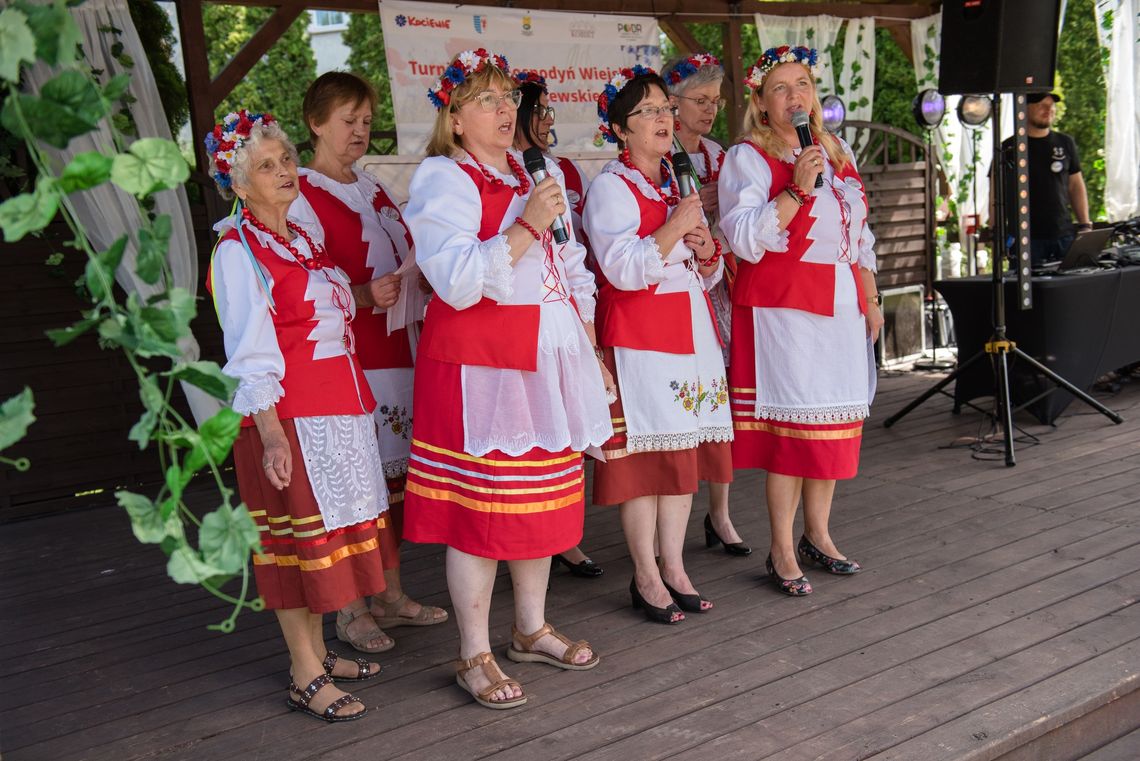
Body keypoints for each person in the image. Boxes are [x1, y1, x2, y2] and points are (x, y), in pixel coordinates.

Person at [402, 49, 613, 709]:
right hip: (480, 368)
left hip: (545, 359)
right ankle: (473, 652)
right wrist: (526, 223)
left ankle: (529, 627)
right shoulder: (444, 177)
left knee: (541, 503)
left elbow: (568, 263)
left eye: (509, 99)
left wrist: (589, 343)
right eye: (487, 101)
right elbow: (457, 279)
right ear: (456, 119)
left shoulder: (530, 167)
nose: (505, 111)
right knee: (481, 513)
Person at [205, 111, 386, 721]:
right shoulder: (239, 250)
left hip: (337, 410)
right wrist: (273, 437)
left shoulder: (298, 239)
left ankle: (315, 653)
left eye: (285, 159)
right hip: (290, 422)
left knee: (326, 544)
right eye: (266, 166)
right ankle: (304, 671)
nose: (284, 171)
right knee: (297, 548)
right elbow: (250, 349)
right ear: (238, 184)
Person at [718, 46, 883, 596]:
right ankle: (782, 549)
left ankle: (819, 534)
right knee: (793, 433)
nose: (795, 97)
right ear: (762, 105)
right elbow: (741, 236)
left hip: (839, 304)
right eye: (781, 89)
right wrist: (796, 188)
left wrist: (872, 296)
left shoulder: (835, 148)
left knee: (832, 427)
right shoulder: (747, 156)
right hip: (786, 308)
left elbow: (859, 233)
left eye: (802, 85)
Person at [295, 72, 448, 654]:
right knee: (356, 484)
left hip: (397, 347)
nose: (360, 132)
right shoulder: (302, 195)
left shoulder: (373, 187)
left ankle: (388, 591)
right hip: (351, 355)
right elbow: (302, 276)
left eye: (366, 121)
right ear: (315, 123)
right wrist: (361, 295)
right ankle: (350, 608)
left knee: (393, 485)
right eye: (347, 121)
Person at [582, 66, 733, 625]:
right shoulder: (610, 187)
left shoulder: (673, 180)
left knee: (682, 455)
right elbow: (619, 268)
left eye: (665, 109)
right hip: (642, 335)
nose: (664, 119)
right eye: (648, 112)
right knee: (646, 462)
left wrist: (705, 249)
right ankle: (645, 573)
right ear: (621, 129)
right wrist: (674, 228)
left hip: (688, 331)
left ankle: (674, 566)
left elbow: (704, 273)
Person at [512, 68, 605, 580]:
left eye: (550, 110)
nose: (548, 119)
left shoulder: (553, 170)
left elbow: (572, 252)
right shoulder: (488, 175)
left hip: (564, 317)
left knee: (568, 433)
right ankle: (526, 545)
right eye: (540, 109)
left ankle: (563, 539)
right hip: (519, 328)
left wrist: (588, 335)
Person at [663, 53, 751, 558]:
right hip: (680, 286)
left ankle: (719, 512)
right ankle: (672, 516)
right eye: (700, 100)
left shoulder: (721, 154)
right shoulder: (656, 154)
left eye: (715, 101)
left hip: (723, 283)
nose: (710, 110)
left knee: (723, 399)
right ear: (670, 104)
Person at [1000, 91, 1092, 267]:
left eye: (1051, 106)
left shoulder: (1065, 143)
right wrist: (996, 231)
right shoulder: (1009, 147)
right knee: (1028, 292)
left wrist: (1085, 224)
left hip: (1063, 234)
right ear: (1025, 109)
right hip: (1025, 237)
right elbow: (996, 191)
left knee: (1068, 289)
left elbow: (1076, 185)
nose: (1048, 110)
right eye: (1041, 105)